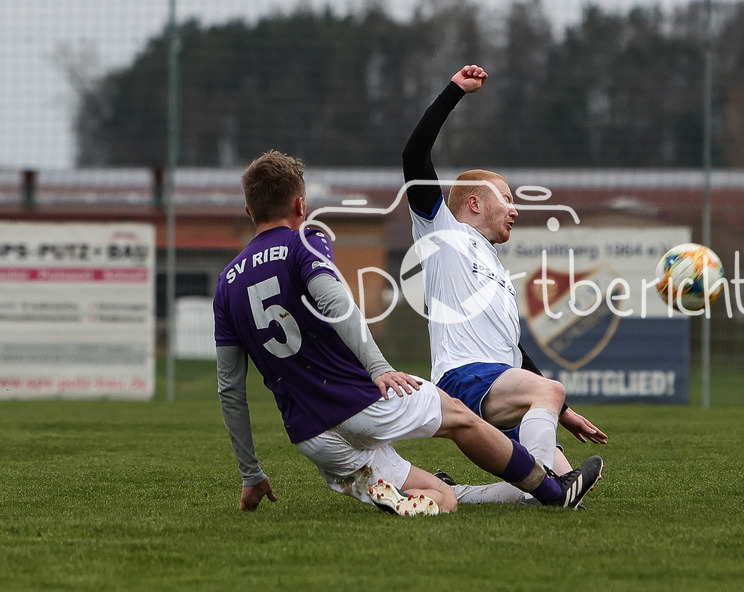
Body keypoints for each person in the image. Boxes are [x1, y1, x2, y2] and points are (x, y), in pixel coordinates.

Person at [214, 150, 603, 515]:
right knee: (461, 418)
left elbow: (230, 389)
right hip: (358, 401)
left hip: (310, 434)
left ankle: (398, 497)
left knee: (443, 498)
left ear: (249, 210)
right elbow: (340, 307)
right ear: (301, 205)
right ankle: (552, 492)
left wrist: (251, 473)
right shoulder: (305, 242)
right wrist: (379, 368)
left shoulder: (225, 285)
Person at [402, 65, 608, 506]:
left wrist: (566, 415)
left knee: (567, 472)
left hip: (498, 383)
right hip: (464, 379)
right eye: (507, 198)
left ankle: (460, 493)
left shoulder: (494, 267)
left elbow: (517, 355)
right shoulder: (443, 233)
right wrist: (454, 92)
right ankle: (549, 491)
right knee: (550, 412)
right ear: (474, 202)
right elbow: (414, 155)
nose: (515, 209)